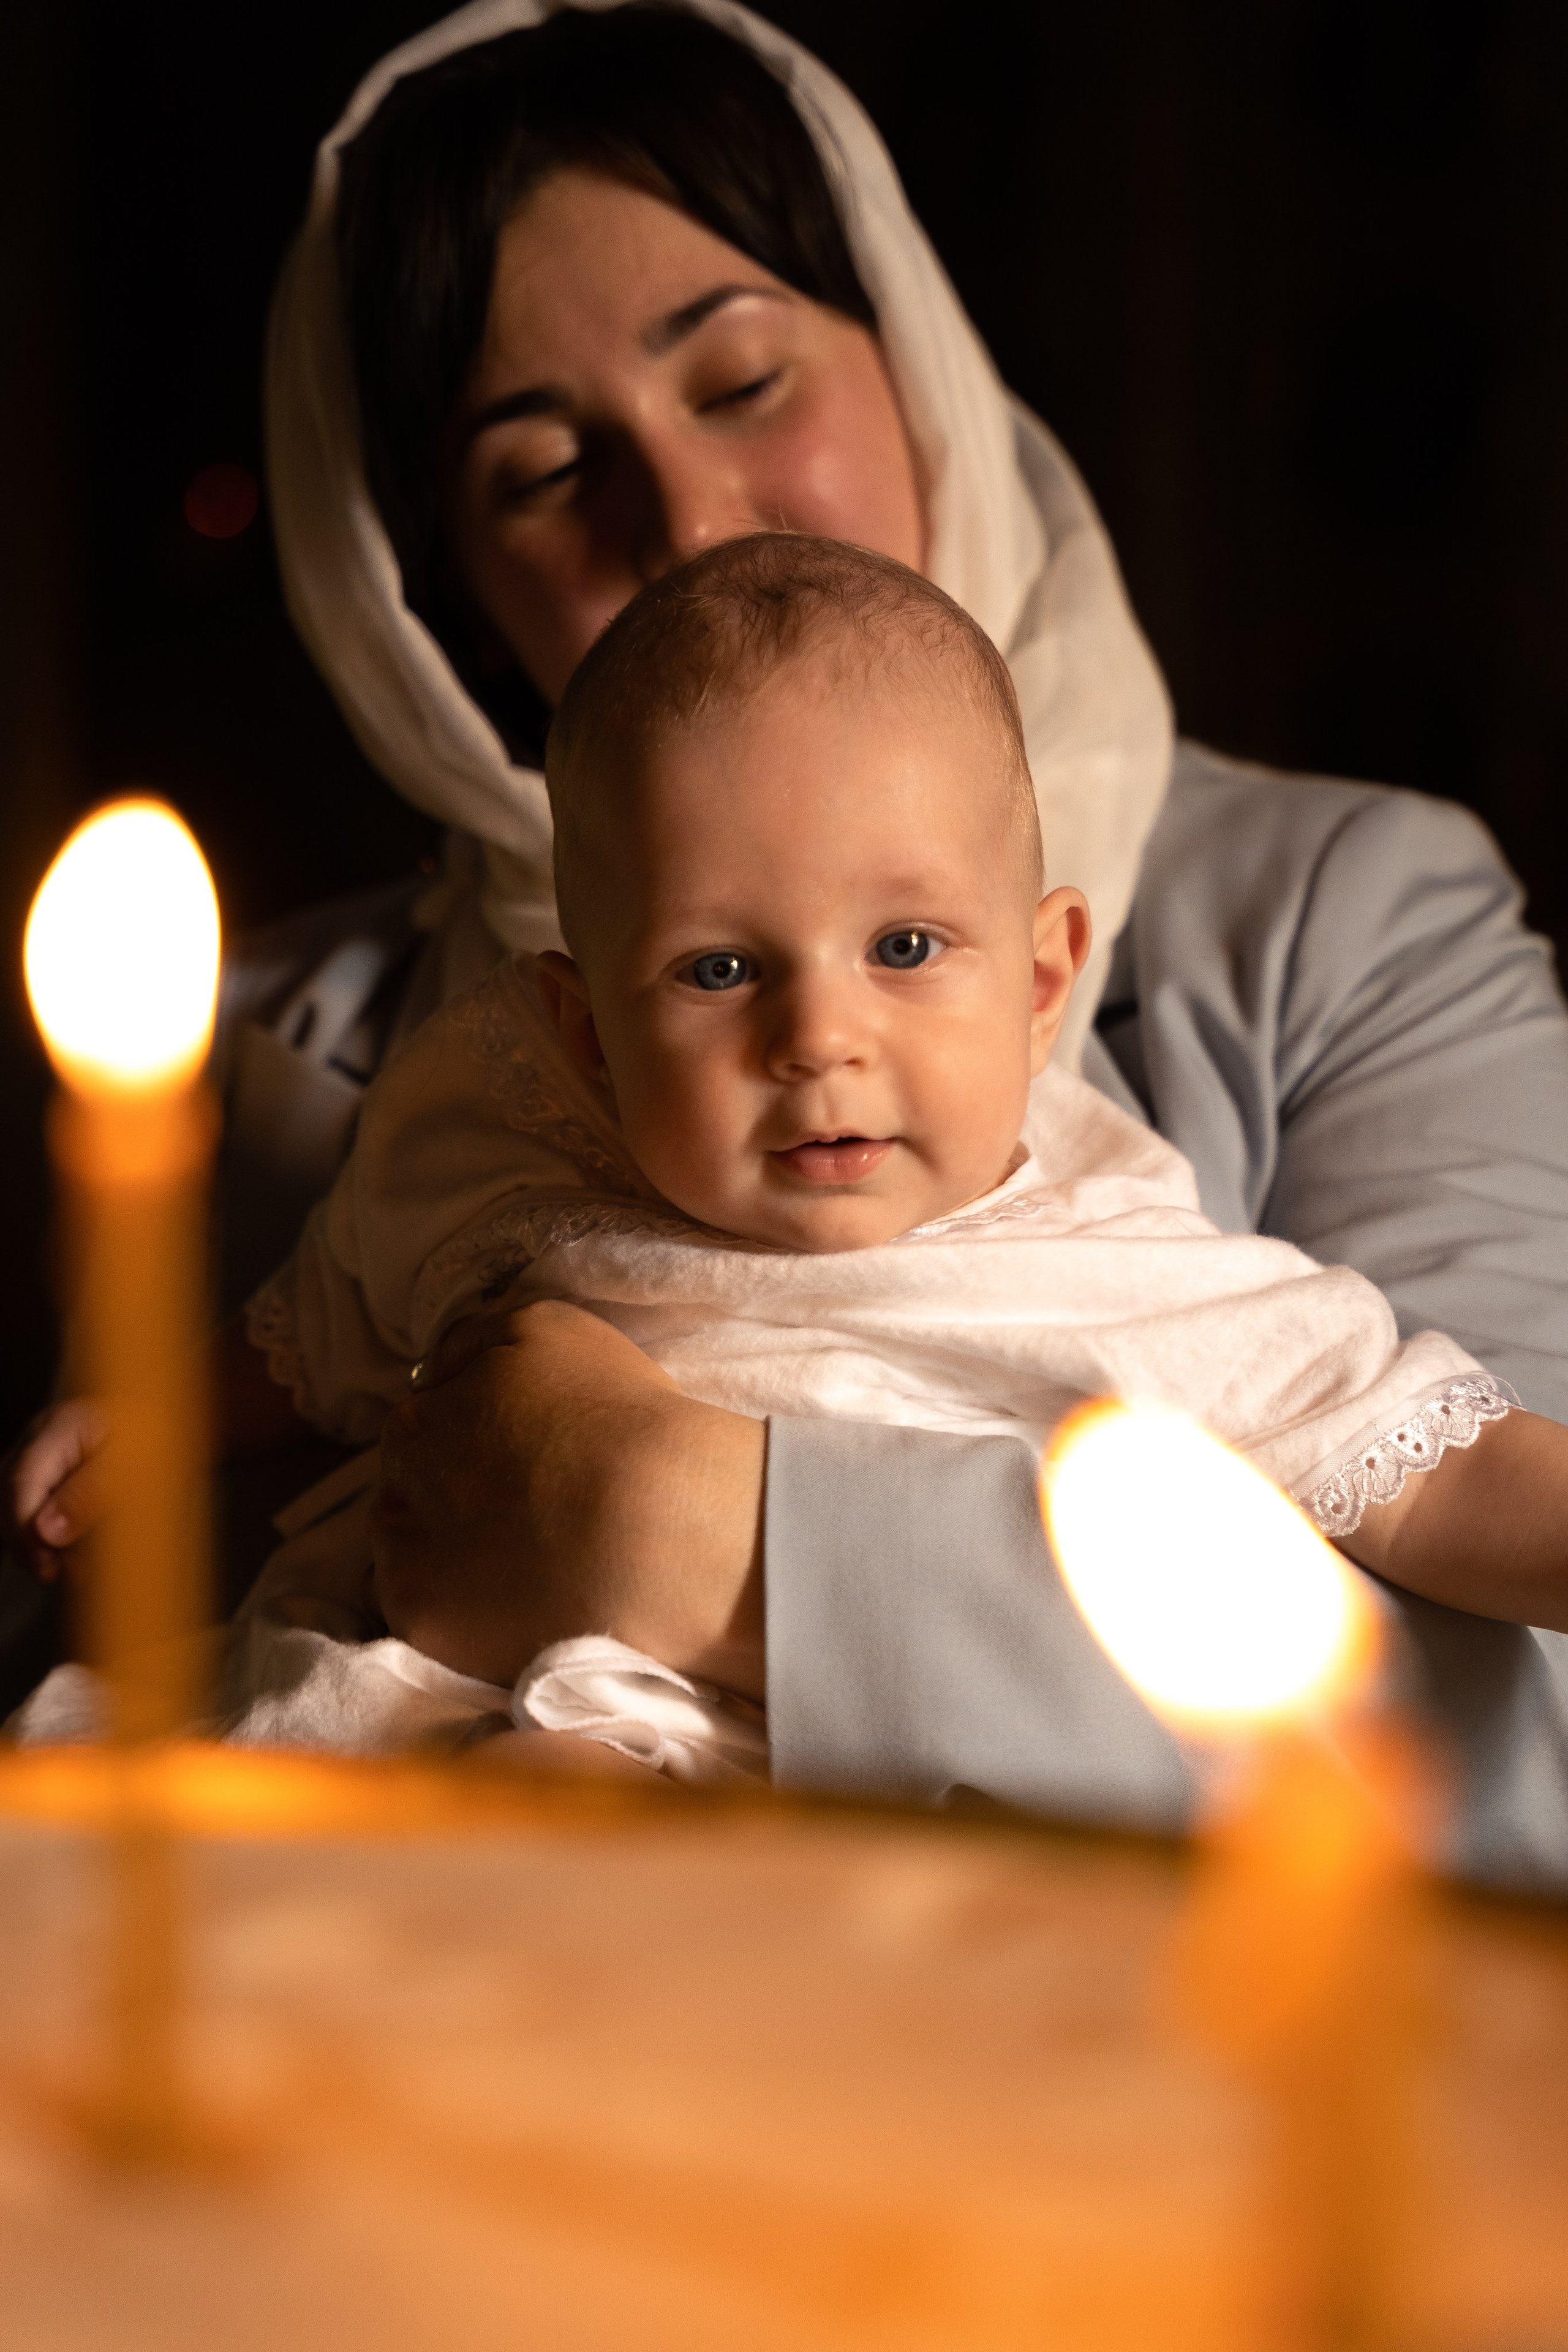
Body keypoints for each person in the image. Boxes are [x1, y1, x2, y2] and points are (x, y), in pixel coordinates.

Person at [9, 4, 1568, 1863]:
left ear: (910, 359)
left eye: (740, 382)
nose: (681, 512)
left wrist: (696, 1530)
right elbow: (296, 1352)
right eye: (537, 465)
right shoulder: (309, 1063)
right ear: (420, 586)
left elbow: (1504, 1737)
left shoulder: (1309, 977)